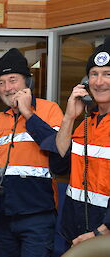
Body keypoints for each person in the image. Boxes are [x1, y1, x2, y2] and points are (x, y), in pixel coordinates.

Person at [0, 48, 64, 257]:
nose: (7, 88)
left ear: (27, 81)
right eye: (1, 82)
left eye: (12, 80)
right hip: (4, 214)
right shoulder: (0, 119)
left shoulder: (50, 110)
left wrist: (27, 113)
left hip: (38, 216)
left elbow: (58, 151)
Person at [46, 36, 110, 246]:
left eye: (107, 74)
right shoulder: (85, 123)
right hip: (73, 231)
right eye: (94, 74)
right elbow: (59, 164)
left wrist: (100, 233)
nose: (99, 82)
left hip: (102, 236)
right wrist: (69, 118)